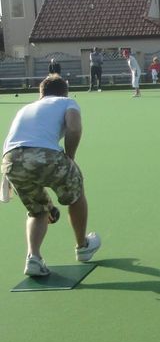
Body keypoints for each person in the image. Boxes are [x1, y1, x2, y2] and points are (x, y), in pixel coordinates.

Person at [0, 74, 101, 277]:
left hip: (10, 161)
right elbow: (74, 128)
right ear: (65, 92)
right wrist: (70, 158)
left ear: (41, 94)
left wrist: (5, 180)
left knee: (37, 210)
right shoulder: (67, 102)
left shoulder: (25, 108)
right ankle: (83, 247)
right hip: (45, 156)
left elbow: (10, 144)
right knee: (76, 192)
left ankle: (33, 258)